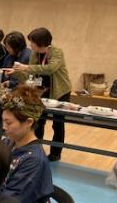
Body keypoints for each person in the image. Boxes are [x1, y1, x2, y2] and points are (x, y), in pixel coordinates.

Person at [7, 27, 71, 161]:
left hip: (60, 91)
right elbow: (30, 75)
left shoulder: (57, 52)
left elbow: (50, 68)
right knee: (38, 121)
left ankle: (55, 153)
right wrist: (16, 72)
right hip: (41, 91)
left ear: (40, 43)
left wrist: (26, 67)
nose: (30, 45)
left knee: (58, 123)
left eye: (32, 42)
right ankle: (36, 150)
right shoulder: (34, 54)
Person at [0, 85, 54, 203]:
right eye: (3, 121)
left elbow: (10, 202)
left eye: (9, 123)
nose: (4, 127)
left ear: (29, 122)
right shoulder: (10, 142)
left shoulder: (34, 160)